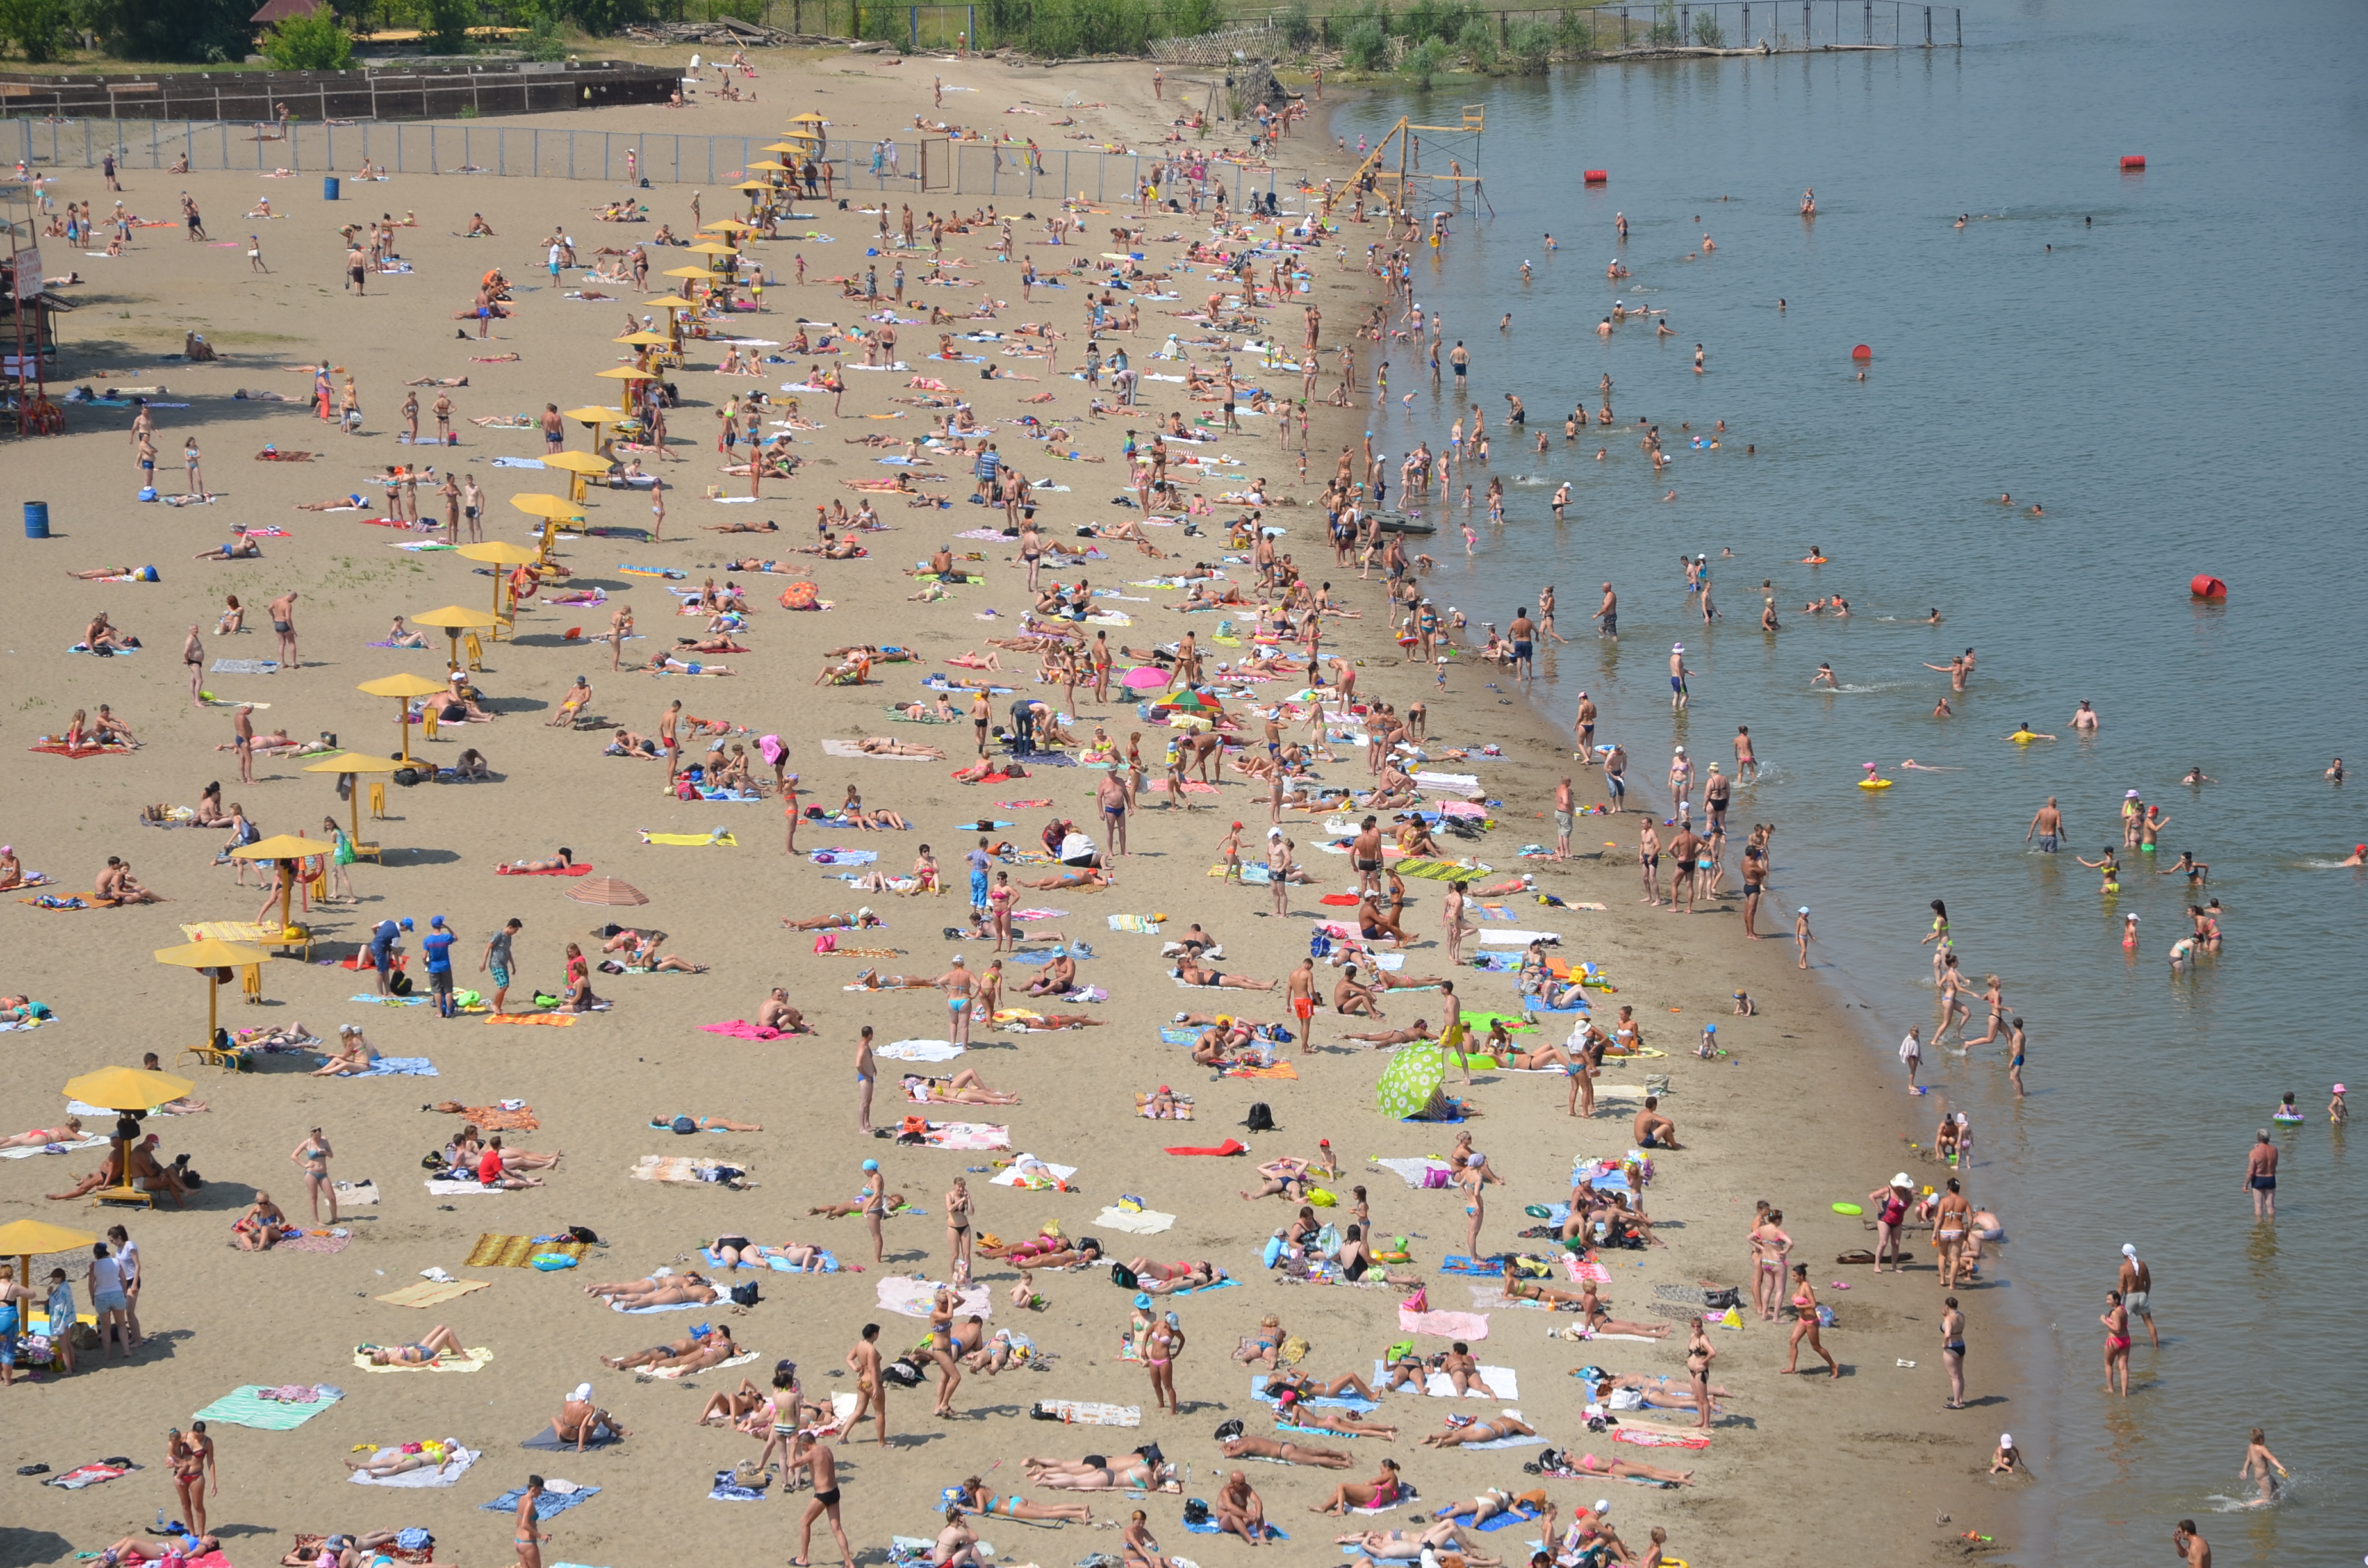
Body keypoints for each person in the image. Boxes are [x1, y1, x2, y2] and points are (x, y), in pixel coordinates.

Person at [1782, 1264, 1838, 1377]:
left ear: (1801, 1276)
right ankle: (1792, 1368)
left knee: (1816, 1347)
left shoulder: (1806, 1287)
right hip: (1802, 1319)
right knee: (1793, 1341)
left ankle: (1833, 1365)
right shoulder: (1800, 1285)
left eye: (1794, 1276)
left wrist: (1800, 1307)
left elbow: (1813, 1304)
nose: (1792, 1278)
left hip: (1811, 1321)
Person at [2117, 1242, 2160, 1348]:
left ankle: (2122, 1346)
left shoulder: (2124, 1268)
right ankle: (2156, 1347)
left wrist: (2117, 1302)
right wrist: (2146, 1295)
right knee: (2149, 1322)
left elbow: (2121, 1286)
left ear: (2124, 1254)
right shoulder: (2143, 1265)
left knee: (2121, 1323)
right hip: (2142, 1296)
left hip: (2130, 1298)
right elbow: (2149, 1282)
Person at [2244, 1128, 2278, 1216]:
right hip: (2271, 1178)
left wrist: (2245, 1185)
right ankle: (2271, 1227)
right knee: (2270, 1205)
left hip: (2258, 1179)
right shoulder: (2274, 1150)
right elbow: (2273, 1163)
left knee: (2258, 1206)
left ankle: (2259, 1228)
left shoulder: (2254, 1152)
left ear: (2258, 1138)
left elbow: (2251, 1171)